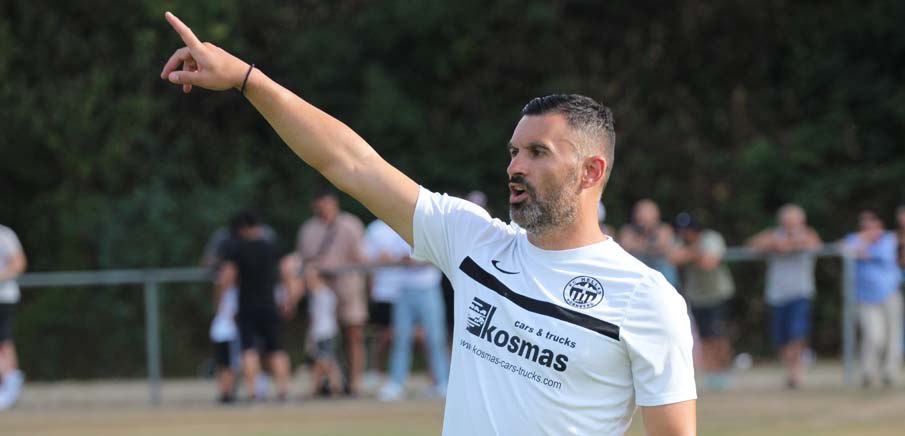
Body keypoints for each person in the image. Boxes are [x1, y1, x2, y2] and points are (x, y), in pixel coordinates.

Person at [160, 13, 696, 434]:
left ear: (590, 172)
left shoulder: (645, 299)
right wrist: (248, 80)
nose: (515, 167)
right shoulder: (473, 241)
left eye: (538, 153)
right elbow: (351, 163)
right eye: (513, 152)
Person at [366, 219, 449, 401]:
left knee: (435, 337)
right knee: (400, 338)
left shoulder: (430, 228)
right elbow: (391, 257)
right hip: (403, 290)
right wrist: (396, 259)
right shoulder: (397, 231)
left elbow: (438, 257)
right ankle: (397, 382)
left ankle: (442, 382)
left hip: (428, 288)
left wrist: (414, 261)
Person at [296, 188, 369, 395]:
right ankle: (326, 382)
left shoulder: (351, 225)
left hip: (348, 287)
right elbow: (303, 259)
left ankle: (355, 382)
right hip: (321, 289)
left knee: (354, 333)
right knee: (322, 338)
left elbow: (361, 257)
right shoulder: (309, 229)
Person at [746, 204, 822, 388]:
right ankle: (791, 370)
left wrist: (791, 245)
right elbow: (751, 245)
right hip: (777, 295)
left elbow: (816, 245)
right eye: (787, 222)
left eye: (793, 222)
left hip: (800, 292)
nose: (790, 225)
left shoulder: (807, 234)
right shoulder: (774, 235)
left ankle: (796, 373)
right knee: (781, 339)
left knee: (797, 334)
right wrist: (775, 244)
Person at [218, 211, 292, 400]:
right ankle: (283, 391)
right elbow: (286, 271)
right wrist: (288, 298)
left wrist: (221, 301)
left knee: (248, 349)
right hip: (270, 303)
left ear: (242, 228)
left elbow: (227, 277)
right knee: (276, 348)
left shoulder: (237, 249)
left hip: (247, 305)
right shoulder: (271, 247)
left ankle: (253, 393)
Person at [671, 213, 735, 390]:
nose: (685, 234)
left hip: (718, 295)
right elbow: (673, 258)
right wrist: (697, 253)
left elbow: (709, 263)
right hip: (697, 296)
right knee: (705, 337)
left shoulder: (711, 238)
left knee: (718, 336)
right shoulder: (683, 242)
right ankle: (712, 373)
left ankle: (724, 370)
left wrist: (689, 254)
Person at [844, 210, 902, 387]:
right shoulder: (853, 238)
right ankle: (867, 372)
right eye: (865, 227)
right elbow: (848, 249)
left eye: (872, 225)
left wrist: (862, 250)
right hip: (865, 297)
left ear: (880, 225)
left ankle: (889, 372)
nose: (869, 230)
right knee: (874, 336)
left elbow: (878, 255)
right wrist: (862, 243)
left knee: (894, 336)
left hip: (890, 293)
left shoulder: (889, 239)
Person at [302, 260, 345, 398]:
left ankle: (329, 387)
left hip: (325, 333)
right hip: (321, 333)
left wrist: (311, 337)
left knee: (324, 362)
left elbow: (318, 318)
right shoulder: (317, 295)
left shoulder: (324, 295)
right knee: (326, 362)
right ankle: (333, 386)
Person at [619, 199, 679, 287]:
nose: (641, 216)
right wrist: (650, 244)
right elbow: (625, 246)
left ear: (656, 215)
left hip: (660, 272)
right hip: (636, 272)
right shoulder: (628, 230)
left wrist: (640, 243)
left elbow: (663, 247)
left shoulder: (664, 229)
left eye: (646, 213)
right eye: (640, 212)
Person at [0, 225, 26, 411]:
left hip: (3, 298)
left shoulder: (4, 235)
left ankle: (10, 387)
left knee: (4, 342)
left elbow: (19, 263)